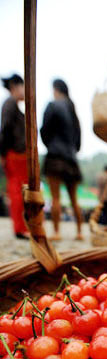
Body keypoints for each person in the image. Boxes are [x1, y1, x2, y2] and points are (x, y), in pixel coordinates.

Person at [40, 79, 83, 240]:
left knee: (55, 197)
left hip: (55, 155)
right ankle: (79, 232)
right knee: (74, 199)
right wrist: (73, 150)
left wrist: (50, 144)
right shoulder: (73, 110)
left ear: (56, 90)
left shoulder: (52, 105)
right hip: (71, 158)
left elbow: (44, 130)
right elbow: (79, 137)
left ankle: (57, 232)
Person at [0, 74, 29, 239]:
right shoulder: (9, 104)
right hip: (14, 155)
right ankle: (19, 228)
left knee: (20, 191)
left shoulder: (13, 105)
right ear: (14, 86)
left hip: (19, 155)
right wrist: (3, 153)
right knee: (17, 192)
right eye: (22, 87)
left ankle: (23, 226)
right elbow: (4, 131)